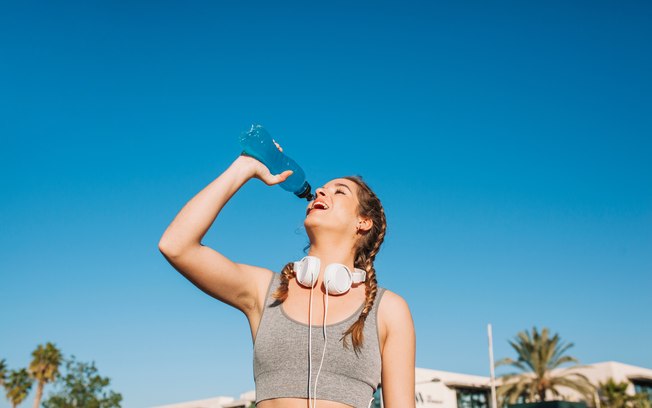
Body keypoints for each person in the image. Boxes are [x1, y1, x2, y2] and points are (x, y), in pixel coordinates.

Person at [158, 150, 416, 408]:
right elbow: (176, 245)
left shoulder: (388, 309)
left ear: (363, 222)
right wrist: (244, 167)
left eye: (339, 191)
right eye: (321, 189)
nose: (320, 193)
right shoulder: (265, 290)